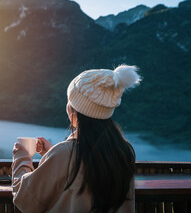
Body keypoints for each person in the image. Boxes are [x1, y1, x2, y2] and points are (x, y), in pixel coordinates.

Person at [12, 65, 141, 213]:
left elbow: (26, 200)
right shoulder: (124, 152)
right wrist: (51, 154)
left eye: (70, 101)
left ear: (73, 110)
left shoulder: (64, 154)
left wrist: (21, 158)